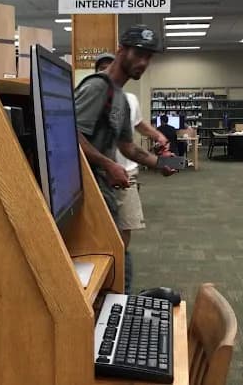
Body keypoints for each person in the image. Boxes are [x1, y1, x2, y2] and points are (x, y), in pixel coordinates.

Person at [74, 24, 175, 293]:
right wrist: (108, 164)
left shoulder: (120, 97)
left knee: (117, 259)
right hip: (87, 190)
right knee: (113, 260)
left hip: (104, 188)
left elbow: (128, 146)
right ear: (121, 51)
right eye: (138, 54)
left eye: (148, 57)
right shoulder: (98, 88)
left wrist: (161, 163)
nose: (143, 62)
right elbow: (70, 134)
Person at [114, 92, 168, 264]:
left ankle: (118, 266)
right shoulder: (93, 97)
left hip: (128, 173)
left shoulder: (130, 99)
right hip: (100, 172)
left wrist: (158, 136)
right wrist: (158, 164)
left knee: (125, 224)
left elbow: (139, 124)